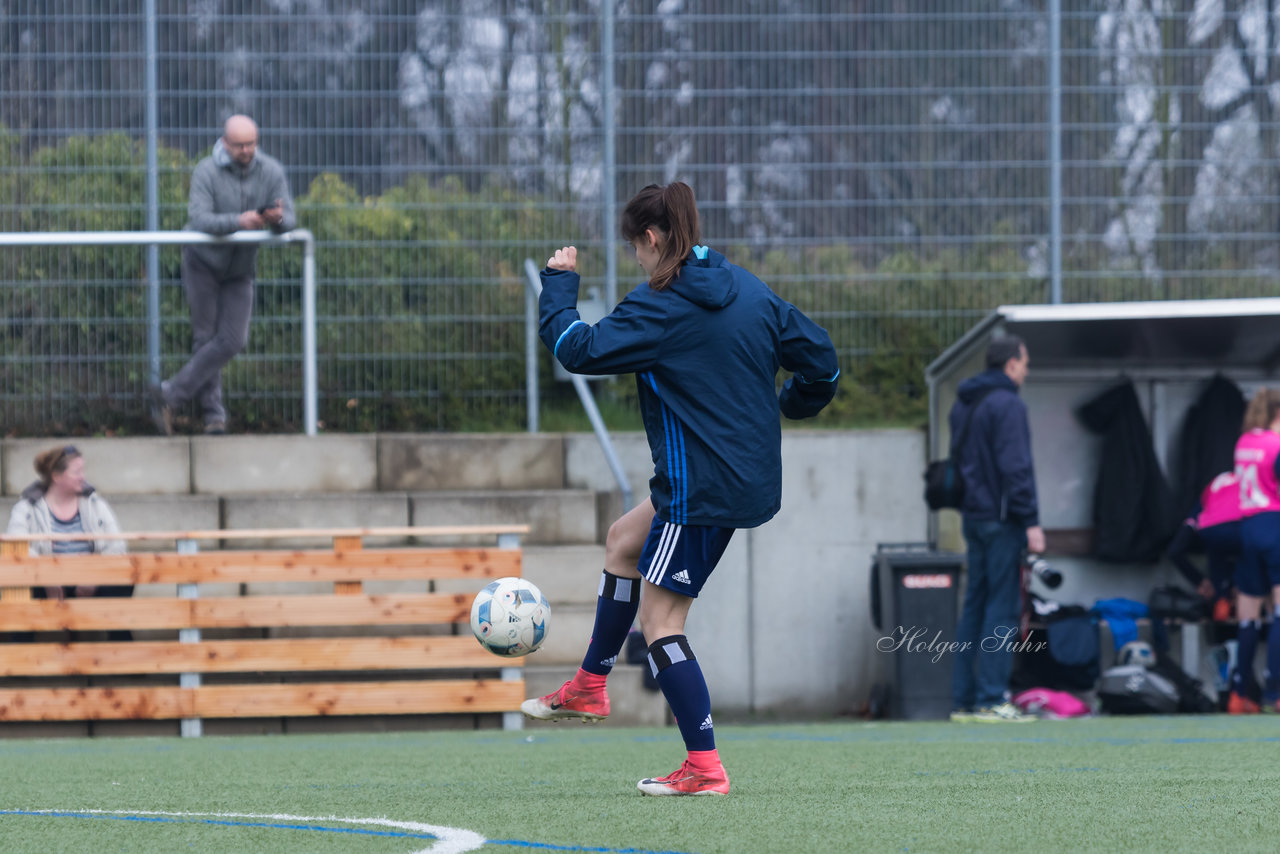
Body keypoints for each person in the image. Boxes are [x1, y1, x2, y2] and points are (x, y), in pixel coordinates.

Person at [520, 182, 839, 796]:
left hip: (702, 491)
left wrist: (558, 287)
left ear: (652, 238)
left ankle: (705, 767)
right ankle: (589, 685)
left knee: (661, 622)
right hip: (734, 478)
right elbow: (821, 361)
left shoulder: (661, 306)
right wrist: (794, 404)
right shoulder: (747, 289)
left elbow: (576, 350)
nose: (637, 262)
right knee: (621, 542)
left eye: (635, 251)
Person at [149, 114, 296, 435]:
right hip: (202, 262)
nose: (246, 150)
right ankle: (214, 417)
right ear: (225, 143)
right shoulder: (206, 170)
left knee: (232, 339)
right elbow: (199, 219)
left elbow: (291, 220)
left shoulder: (270, 170)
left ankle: (170, 394)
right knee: (205, 338)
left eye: (251, 144)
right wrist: (238, 222)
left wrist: (276, 220)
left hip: (240, 269)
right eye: (239, 145)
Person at [948, 335, 1044, 723]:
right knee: (1002, 608)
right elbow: (1015, 468)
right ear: (1010, 365)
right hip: (1002, 519)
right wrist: (1031, 520)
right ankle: (991, 698)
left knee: (974, 604)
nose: (1026, 370)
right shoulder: (1008, 405)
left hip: (972, 517)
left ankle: (965, 701)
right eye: (1024, 363)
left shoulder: (964, 404)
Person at [5, 445, 131, 640]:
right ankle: (21, 663)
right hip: (47, 583)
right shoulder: (26, 507)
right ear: (57, 476)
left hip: (88, 580)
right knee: (17, 590)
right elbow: (16, 547)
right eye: (77, 472)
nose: (83, 476)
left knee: (122, 581)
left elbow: (116, 546)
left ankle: (124, 657)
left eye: (83, 470)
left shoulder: (95, 504)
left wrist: (94, 576)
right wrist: (46, 576)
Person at [1227, 388, 1280, 714]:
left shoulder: (1244, 442)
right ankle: (1274, 693)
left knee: (1248, 618)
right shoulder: (1277, 444)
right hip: (1274, 525)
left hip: (1246, 528)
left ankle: (1238, 694)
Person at [1165, 470, 1241, 622]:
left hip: (1212, 530)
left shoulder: (1215, 486)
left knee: (1217, 542)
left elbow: (1175, 551)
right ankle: (1232, 598)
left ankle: (1223, 599)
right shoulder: (1256, 485)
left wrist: (1200, 581)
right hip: (1241, 533)